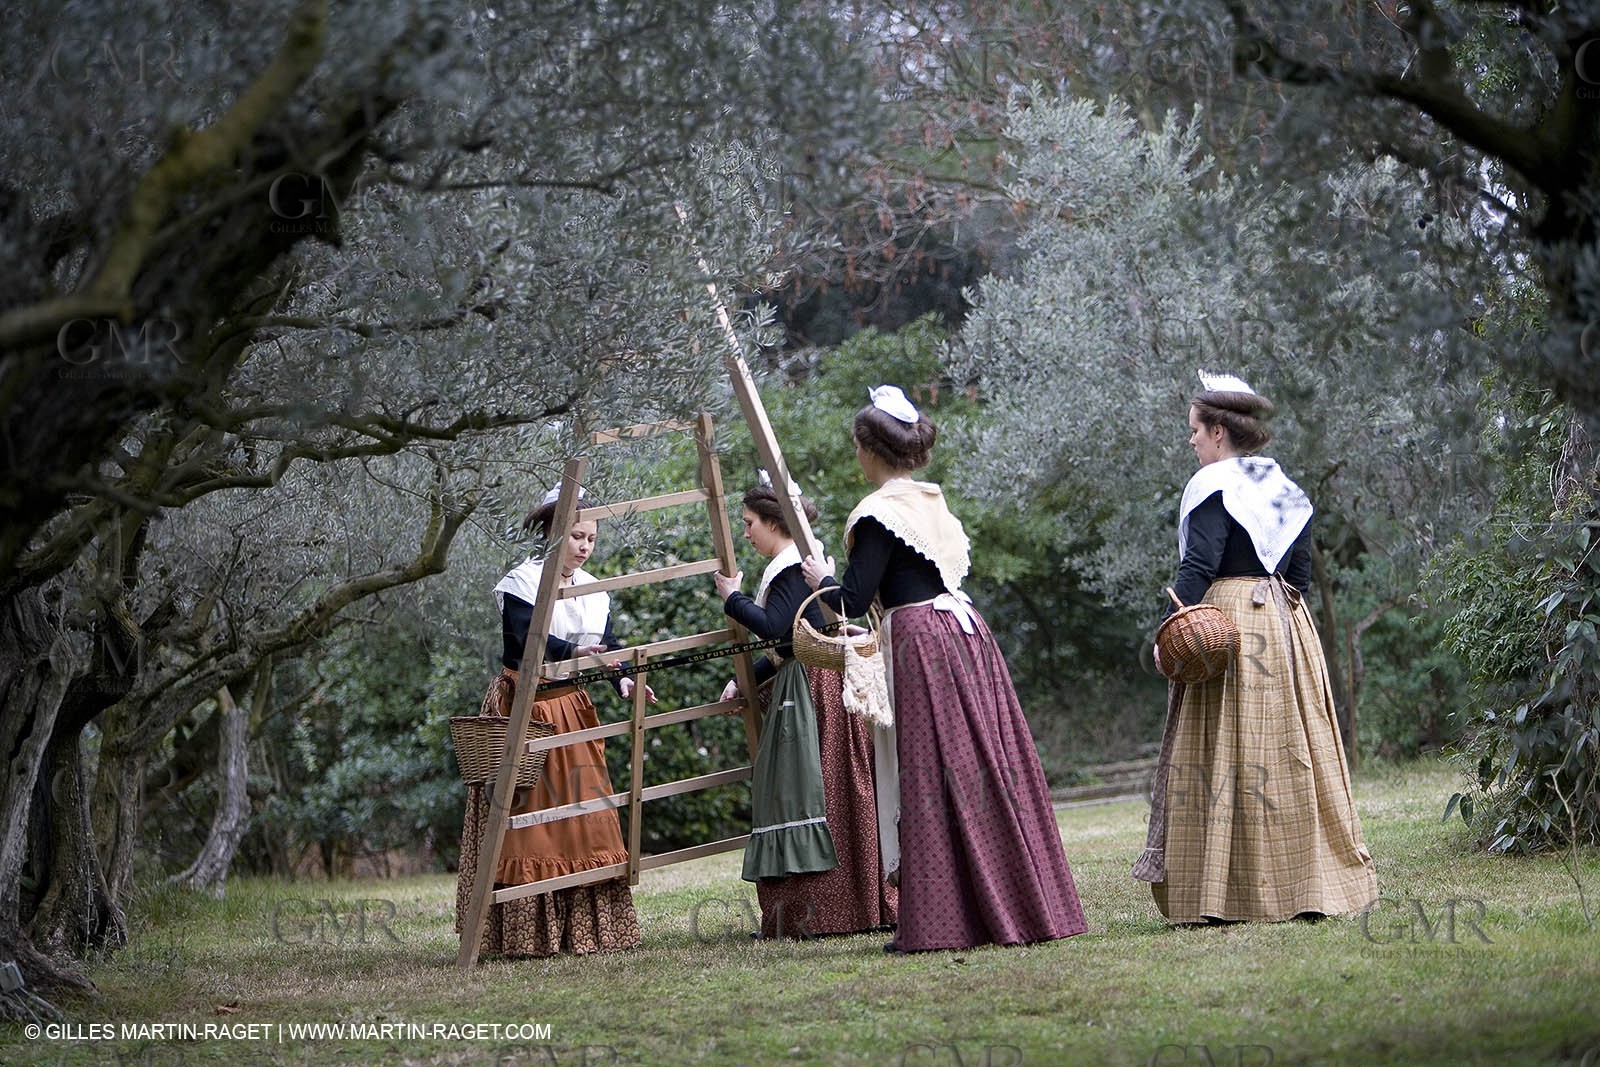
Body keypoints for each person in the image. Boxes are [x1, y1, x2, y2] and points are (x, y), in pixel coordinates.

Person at [800, 385, 1088, 954]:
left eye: (857, 448)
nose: (856, 457)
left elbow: (854, 600)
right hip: (964, 633)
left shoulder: (881, 512)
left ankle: (944, 920)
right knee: (981, 764)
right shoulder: (928, 501)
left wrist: (821, 582)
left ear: (869, 449)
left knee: (931, 772)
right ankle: (1010, 901)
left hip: (923, 642)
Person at [1133, 371, 1378, 922]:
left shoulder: (1214, 484)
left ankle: (1223, 891)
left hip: (1227, 625)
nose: (1191, 440)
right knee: (1289, 751)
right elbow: (1300, 577)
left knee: (1223, 750)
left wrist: (1171, 630)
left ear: (1219, 431)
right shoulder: (1288, 491)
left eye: (1195, 430)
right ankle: (1307, 884)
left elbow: (1197, 564)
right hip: (1289, 626)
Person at [456, 485, 652, 957]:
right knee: (530, 818)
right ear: (552, 534)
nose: (584, 546)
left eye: (590, 538)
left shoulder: (595, 592)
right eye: (576, 536)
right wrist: (573, 655)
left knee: (584, 816)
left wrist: (624, 679)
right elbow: (525, 646)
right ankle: (527, 934)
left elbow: (604, 649)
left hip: (572, 712)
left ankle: (590, 930)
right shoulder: (523, 582)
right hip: (526, 709)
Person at [714, 482, 898, 939]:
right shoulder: (799, 566)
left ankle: (825, 912)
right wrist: (745, 679)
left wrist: (733, 598)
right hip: (820, 682)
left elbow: (779, 630)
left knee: (811, 789)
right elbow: (793, 642)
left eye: (749, 523)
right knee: (832, 788)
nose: (746, 533)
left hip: (814, 692)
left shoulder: (790, 568)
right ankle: (849, 908)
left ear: (773, 522)